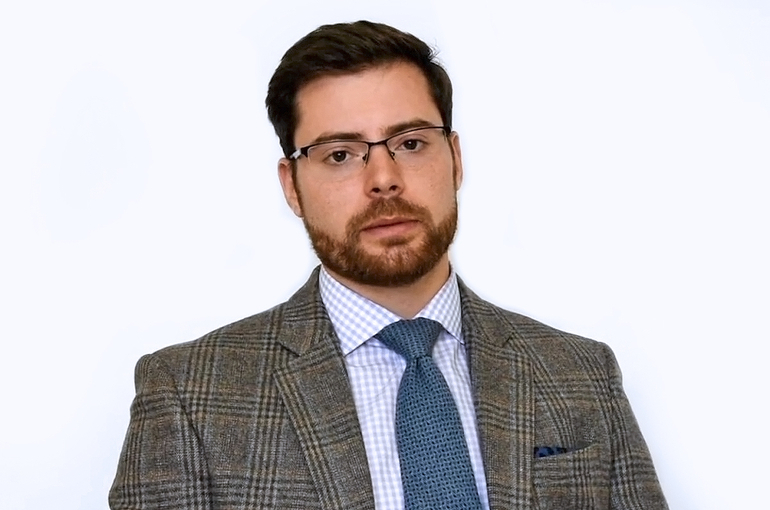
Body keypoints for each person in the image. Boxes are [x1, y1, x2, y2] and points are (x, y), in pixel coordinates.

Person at [109, 20, 668, 510]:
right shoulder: (189, 394)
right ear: (292, 186)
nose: (383, 179)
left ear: (455, 158)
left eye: (411, 143)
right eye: (340, 154)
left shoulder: (581, 374)